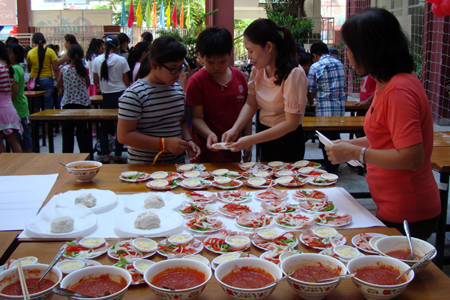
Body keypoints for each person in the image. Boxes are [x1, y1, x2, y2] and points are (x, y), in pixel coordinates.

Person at [325, 8, 440, 240]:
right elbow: (386, 136)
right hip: (391, 204)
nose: (347, 55)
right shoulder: (385, 83)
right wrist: (348, 147)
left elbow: (412, 157)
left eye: (349, 48)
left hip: (409, 210)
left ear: (368, 50)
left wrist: (357, 152)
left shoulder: (399, 89)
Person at [222, 19, 308, 162]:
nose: (248, 56)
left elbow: (291, 123)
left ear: (268, 47)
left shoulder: (293, 74)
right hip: (264, 136)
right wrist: (235, 129)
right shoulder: (258, 69)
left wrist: (251, 139)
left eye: (251, 51)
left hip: (286, 141)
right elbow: (251, 104)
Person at [117, 35, 200, 164]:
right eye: (173, 69)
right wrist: (164, 143)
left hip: (175, 166)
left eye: (180, 68)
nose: (178, 74)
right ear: (154, 64)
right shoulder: (134, 94)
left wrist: (189, 141)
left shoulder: (177, 88)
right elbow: (124, 136)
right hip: (144, 170)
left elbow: (182, 121)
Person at [185, 27, 250, 163]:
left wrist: (248, 141)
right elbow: (196, 118)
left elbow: (247, 113)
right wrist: (209, 134)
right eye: (211, 62)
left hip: (233, 151)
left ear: (229, 54)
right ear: (201, 57)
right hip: (205, 152)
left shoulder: (239, 77)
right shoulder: (196, 81)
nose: (217, 67)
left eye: (222, 61)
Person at [307, 41, 346, 173]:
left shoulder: (315, 66)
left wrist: (310, 100)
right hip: (339, 109)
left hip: (324, 109)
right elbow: (344, 85)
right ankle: (335, 163)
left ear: (314, 55)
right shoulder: (339, 64)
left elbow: (311, 89)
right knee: (335, 136)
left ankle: (331, 167)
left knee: (325, 139)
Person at [93, 36, 130, 164]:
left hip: (106, 96)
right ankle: (118, 156)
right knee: (120, 127)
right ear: (118, 47)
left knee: (104, 128)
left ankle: (104, 156)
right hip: (120, 96)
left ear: (104, 47)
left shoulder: (97, 60)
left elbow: (96, 81)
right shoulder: (122, 60)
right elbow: (126, 81)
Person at [56, 44, 91, 154]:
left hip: (68, 103)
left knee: (67, 132)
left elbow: (59, 85)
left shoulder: (64, 69)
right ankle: (86, 155)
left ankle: (67, 156)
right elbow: (88, 84)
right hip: (82, 103)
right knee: (82, 132)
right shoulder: (84, 69)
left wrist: (66, 88)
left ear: (69, 56)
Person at [26, 32, 59, 112]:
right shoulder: (50, 51)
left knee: (35, 103)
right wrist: (58, 81)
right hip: (47, 79)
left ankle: (36, 123)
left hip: (33, 80)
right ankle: (47, 124)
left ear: (34, 42)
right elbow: (55, 68)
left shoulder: (30, 53)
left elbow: (29, 69)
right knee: (47, 103)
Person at [9, 43, 31, 153]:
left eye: (10, 53)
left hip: (17, 106)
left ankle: (27, 154)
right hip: (21, 105)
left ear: (16, 55)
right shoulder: (19, 68)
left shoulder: (15, 69)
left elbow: (15, 91)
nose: (8, 55)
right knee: (23, 133)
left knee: (22, 134)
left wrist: (7, 100)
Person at [0, 41, 22, 153]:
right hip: (9, 107)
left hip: (0, 108)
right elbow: (14, 90)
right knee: (13, 140)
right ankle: (20, 166)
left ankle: (5, 168)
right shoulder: (8, 68)